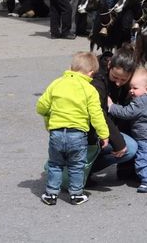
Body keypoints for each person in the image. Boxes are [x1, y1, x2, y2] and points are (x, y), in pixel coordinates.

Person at [36, 52, 109, 205]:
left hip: (56, 133)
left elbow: (41, 106)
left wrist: (49, 118)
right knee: (77, 166)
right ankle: (76, 194)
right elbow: (96, 114)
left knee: (55, 164)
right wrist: (104, 134)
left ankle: (51, 194)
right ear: (91, 73)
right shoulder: (89, 90)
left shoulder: (56, 83)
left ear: (71, 67)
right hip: (77, 135)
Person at [107, 68, 147, 193]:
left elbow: (126, 113)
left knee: (142, 161)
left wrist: (112, 106)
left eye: (135, 88)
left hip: (146, 140)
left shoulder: (139, 103)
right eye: (131, 87)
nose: (131, 91)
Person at [87, 46, 139, 182]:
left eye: (123, 80)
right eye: (115, 77)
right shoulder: (97, 79)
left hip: (112, 121)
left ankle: (126, 170)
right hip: (92, 128)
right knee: (129, 148)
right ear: (109, 64)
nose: (118, 83)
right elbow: (99, 114)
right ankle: (82, 170)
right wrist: (118, 142)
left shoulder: (132, 79)